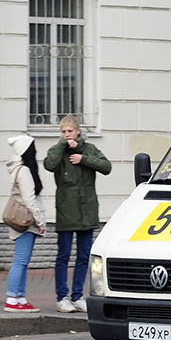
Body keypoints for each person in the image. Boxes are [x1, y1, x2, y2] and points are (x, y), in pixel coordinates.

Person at [44, 115, 111, 314]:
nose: (66, 135)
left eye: (69, 131)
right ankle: (61, 297)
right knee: (63, 256)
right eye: (63, 132)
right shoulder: (58, 150)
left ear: (78, 131)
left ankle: (77, 296)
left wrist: (84, 159)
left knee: (84, 256)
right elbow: (49, 165)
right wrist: (62, 146)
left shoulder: (89, 149)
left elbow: (106, 167)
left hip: (87, 213)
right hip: (66, 212)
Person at [4, 135, 47, 312]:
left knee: (22, 260)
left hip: (22, 220)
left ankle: (20, 297)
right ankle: (13, 298)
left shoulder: (17, 169)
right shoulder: (25, 171)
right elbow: (30, 200)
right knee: (20, 260)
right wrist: (40, 221)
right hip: (26, 221)